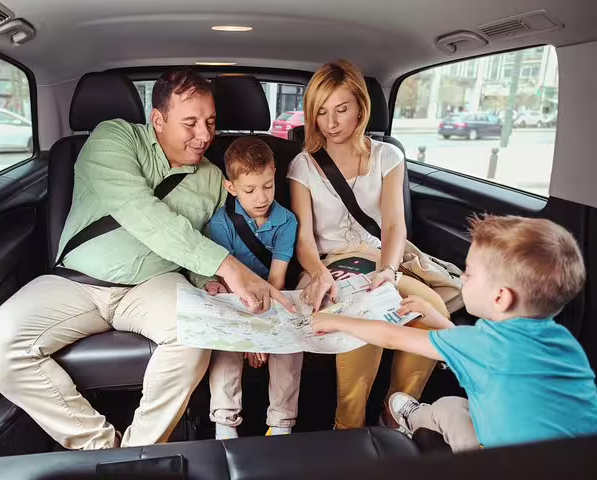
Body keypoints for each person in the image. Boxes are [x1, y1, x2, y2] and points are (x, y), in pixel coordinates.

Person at [0, 69, 294, 450]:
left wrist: (207, 281)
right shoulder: (113, 137)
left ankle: (138, 452)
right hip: (78, 280)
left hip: (154, 285)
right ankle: (104, 450)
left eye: (210, 122)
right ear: (157, 120)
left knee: (194, 337)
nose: (205, 135)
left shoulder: (212, 176)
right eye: (189, 123)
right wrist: (227, 266)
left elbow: (197, 241)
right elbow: (138, 209)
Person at [313, 215, 597, 451]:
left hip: (506, 467)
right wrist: (438, 320)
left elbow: (392, 336)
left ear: (501, 298)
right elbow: (473, 350)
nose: (462, 277)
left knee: (450, 411)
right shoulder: (564, 344)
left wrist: (337, 321)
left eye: (469, 273)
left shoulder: (482, 345)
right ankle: (410, 418)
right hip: (575, 462)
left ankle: (410, 422)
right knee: (452, 407)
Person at [287, 59, 448, 429]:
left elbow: (394, 225)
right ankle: (348, 426)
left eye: (341, 109)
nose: (331, 122)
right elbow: (304, 240)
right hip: (329, 263)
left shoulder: (388, 156)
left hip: (380, 259)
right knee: (361, 315)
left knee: (430, 308)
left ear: (361, 106)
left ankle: (398, 413)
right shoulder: (303, 164)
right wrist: (320, 274)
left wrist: (389, 272)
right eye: (322, 112)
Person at [205, 137, 301, 439]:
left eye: (268, 186)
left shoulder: (286, 221)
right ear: (231, 187)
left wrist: (262, 333)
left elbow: (277, 280)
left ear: (274, 173)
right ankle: (225, 423)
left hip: (271, 299)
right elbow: (227, 281)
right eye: (250, 190)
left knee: (288, 339)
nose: (261, 197)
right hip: (235, 299)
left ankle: (282, 424)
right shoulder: (221, 224)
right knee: (226, 341)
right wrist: (249, 336)